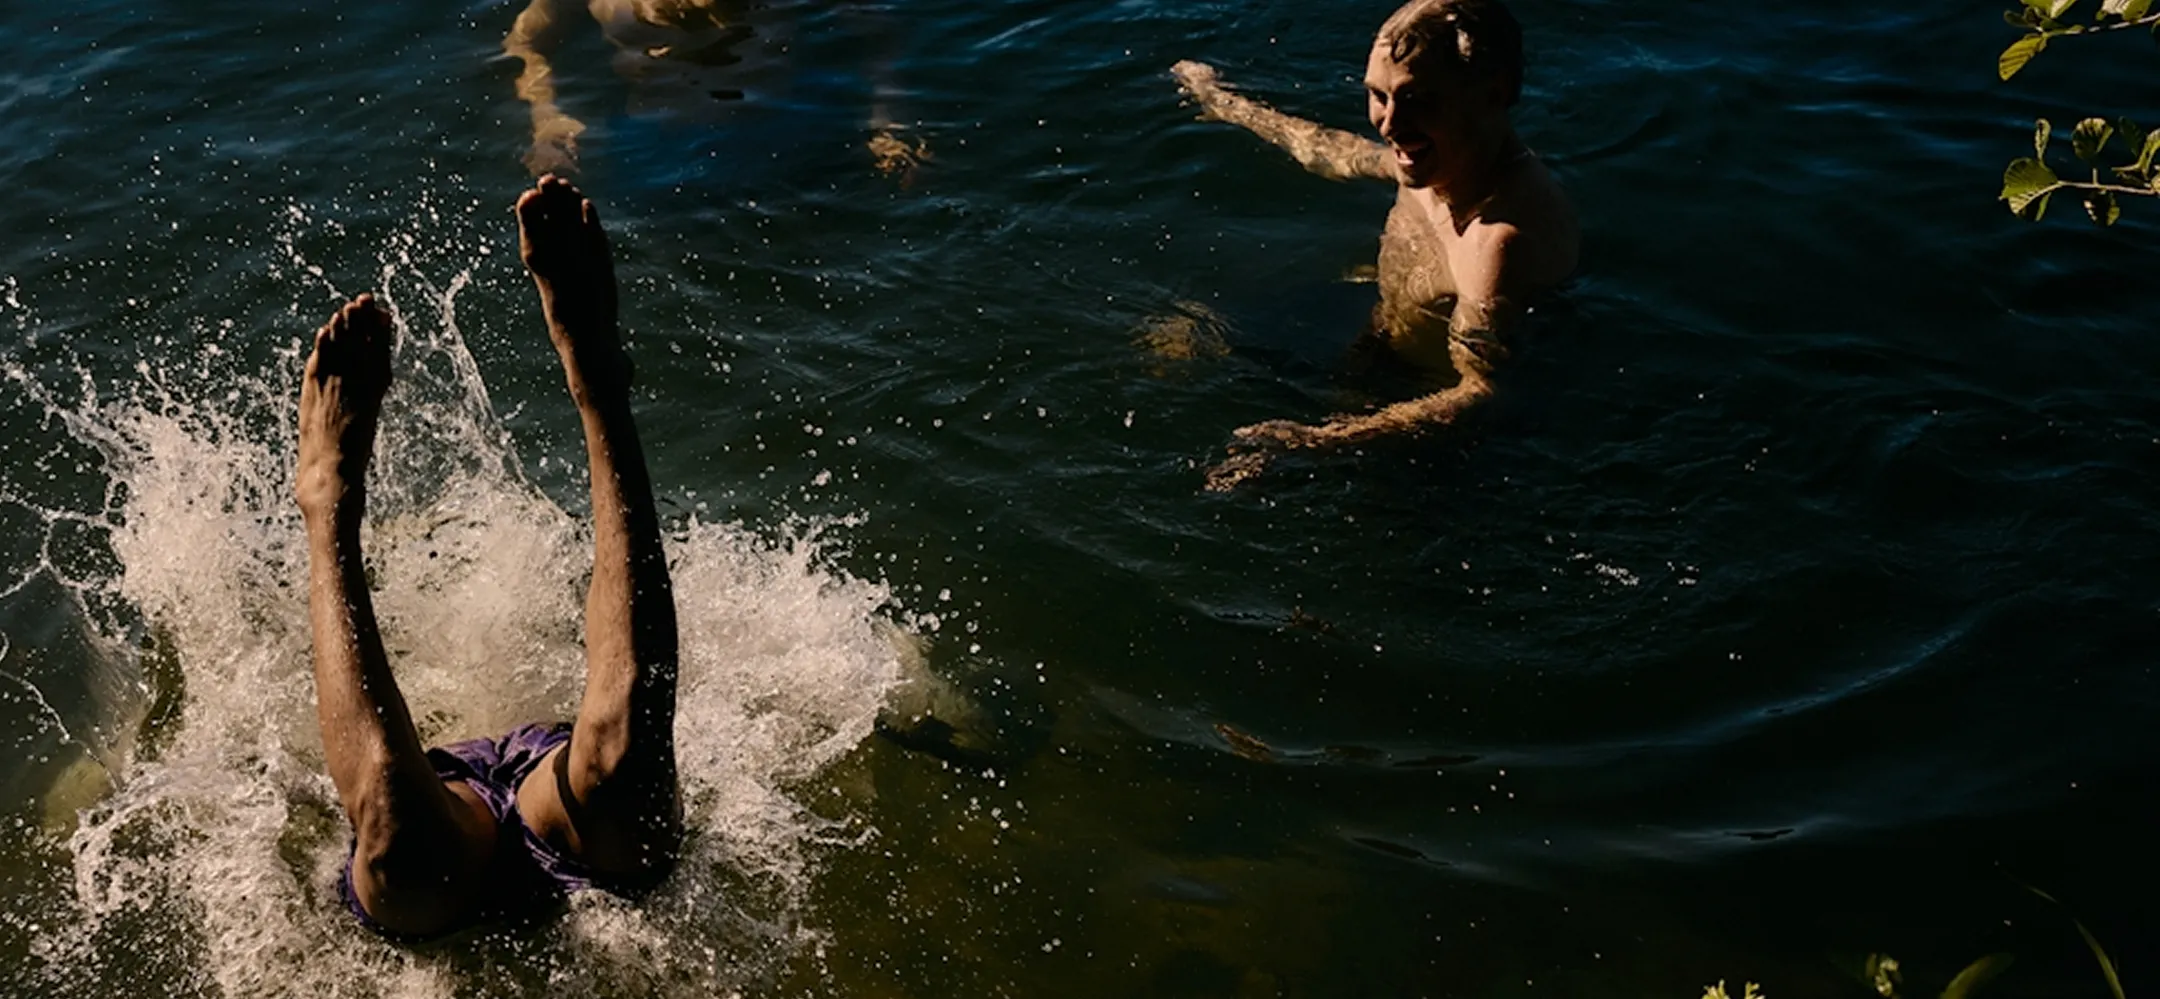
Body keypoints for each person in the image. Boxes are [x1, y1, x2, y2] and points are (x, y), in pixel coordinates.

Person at [297, 177, 681, 937]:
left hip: (491, 829)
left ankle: (329, 504)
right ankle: (599, 382)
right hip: (525, 817)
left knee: (408, 830)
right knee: (614, 762)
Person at [1171, 0, 1579, 491]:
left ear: (1495, 93)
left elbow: (1486, 394)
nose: (1389, 123)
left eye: (1416, 98)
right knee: (1189, 329)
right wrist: (1223, 103)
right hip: (1379, 344)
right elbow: (1337, 152)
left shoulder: (1499, 241)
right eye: (1378, 95)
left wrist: (1318, 443)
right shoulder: (1438, 163)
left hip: (1431, 423)